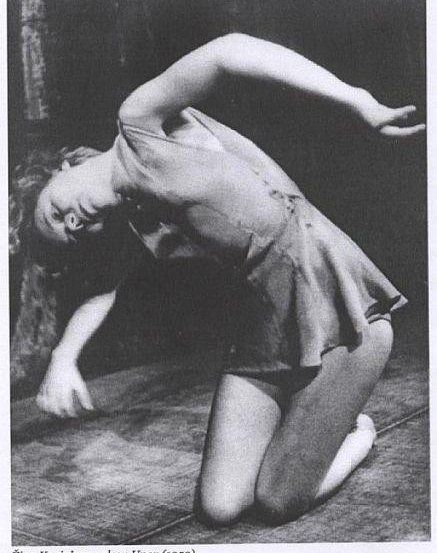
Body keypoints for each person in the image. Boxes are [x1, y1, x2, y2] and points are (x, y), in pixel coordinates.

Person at [34, 33, 425, 526]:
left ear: (63, 165)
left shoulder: (139, 122)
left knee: (277, 502)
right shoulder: (141, 216)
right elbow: (102, 292)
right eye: (72, 233)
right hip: (265, 328)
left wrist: (355, 99)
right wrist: (62, 358)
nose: (74, 221)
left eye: (55, 211)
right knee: (219, 507)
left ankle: (357, 436)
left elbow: (229, 51)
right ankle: (313, 430)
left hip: (341, 309)